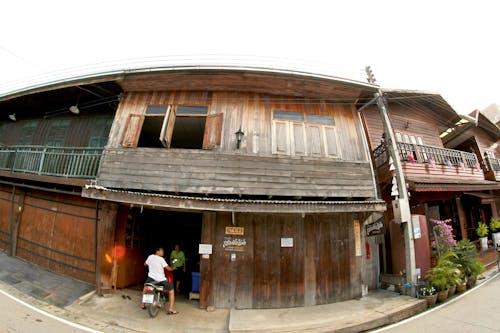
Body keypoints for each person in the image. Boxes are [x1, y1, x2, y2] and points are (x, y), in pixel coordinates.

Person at [141, 246, 178, 314]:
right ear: (157, 251)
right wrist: (173, 268)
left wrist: (151, 265)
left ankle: (142, 304)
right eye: (162, 251)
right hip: (161, 280)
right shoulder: (161, 259)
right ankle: (171, 309)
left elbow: (145, 264)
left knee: (145, 288)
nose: (163, 252)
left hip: (151, 279)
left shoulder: (150, 257)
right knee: (171, 291)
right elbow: (168, 269)